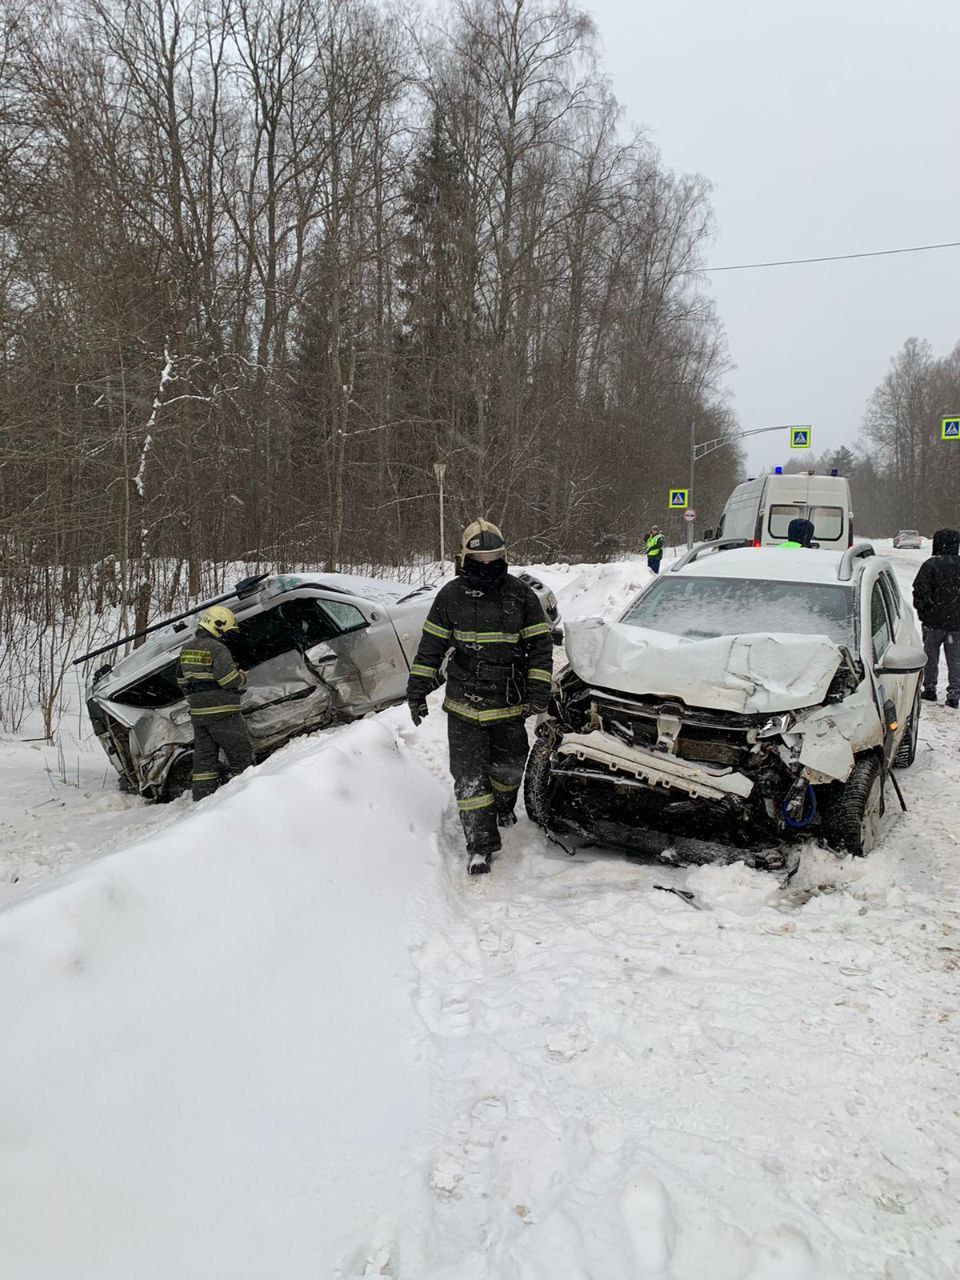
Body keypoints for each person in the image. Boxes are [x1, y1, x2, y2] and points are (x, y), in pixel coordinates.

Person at [406, 520, 553, 875]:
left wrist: (538, 691)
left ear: (504, 556)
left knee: (509, 770)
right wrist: (417, 690)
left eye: (494, 558)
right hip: (464, 703)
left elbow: (539, 648)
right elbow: (430, 648)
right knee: (469, 778)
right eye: (479, 559)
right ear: (465, 558)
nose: (486, 565)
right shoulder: (451, 596)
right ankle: (481, 845)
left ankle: (504, 805)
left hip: (507, 701)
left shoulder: (521, 596)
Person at [176, 605, 254, 799]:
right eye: (226, 631)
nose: (227, 636)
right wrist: (242, 677)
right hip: (222, 710)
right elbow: (227, 680)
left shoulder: (186, 648)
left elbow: (181, 680)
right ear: (218, 626)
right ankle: (244, 794)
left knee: (204, 757)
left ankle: (202, 796)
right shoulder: (218, 648)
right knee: (239, 752)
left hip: (199, 714)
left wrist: (196, 699)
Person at [912, 527, 960, 709]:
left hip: (933, 622)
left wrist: (924, 611)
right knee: (955, 659)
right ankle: (954, 694)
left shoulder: (931, 565)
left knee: (930, 656)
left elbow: (919, 590)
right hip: (956, 623)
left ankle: (930, 688)